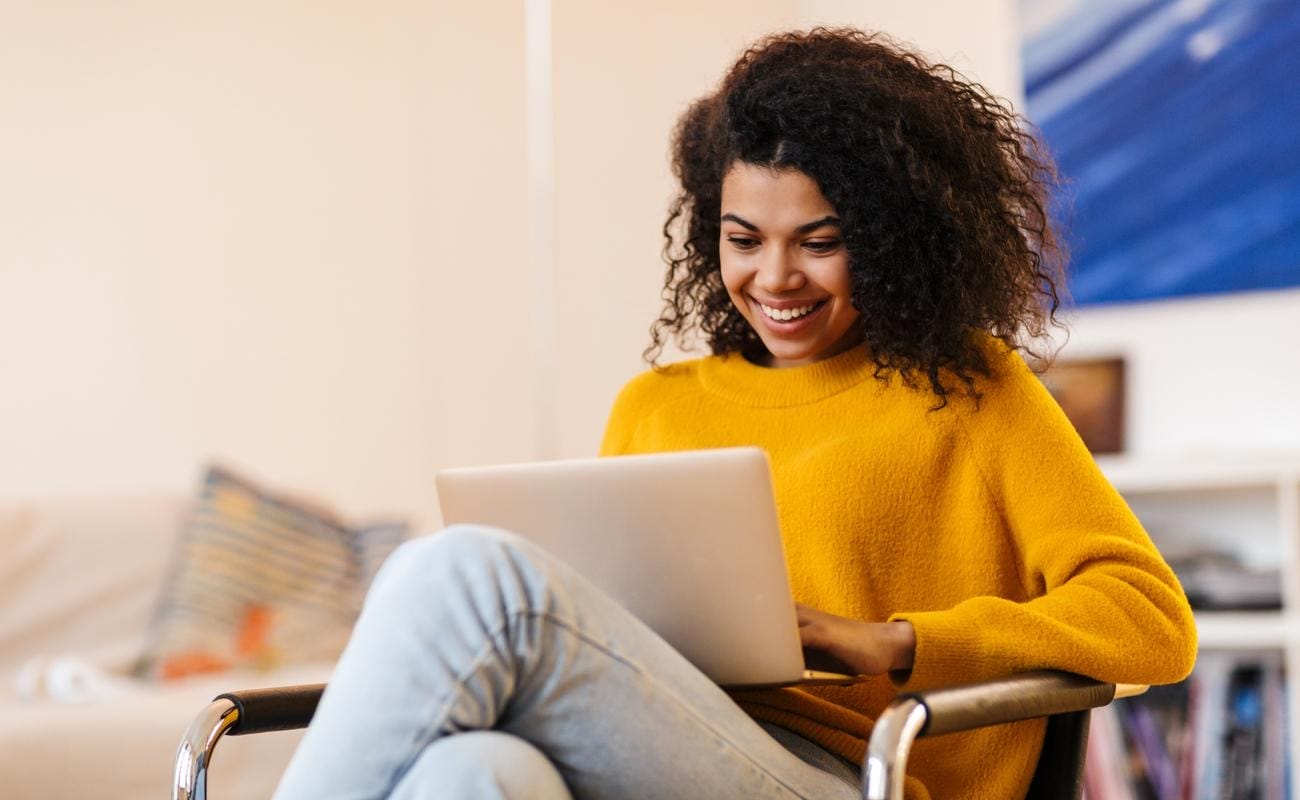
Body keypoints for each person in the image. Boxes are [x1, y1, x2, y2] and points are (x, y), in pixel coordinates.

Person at [272, 28, 1196, 800]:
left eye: (820, 243)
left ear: (891, 240)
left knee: (467, 576)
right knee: (470, 771)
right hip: (668, 741)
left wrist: (899, 640)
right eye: (743, 239)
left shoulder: (969, 389)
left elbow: (1152, 621)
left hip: (855, 772)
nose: (775, 278)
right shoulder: (655, 407)